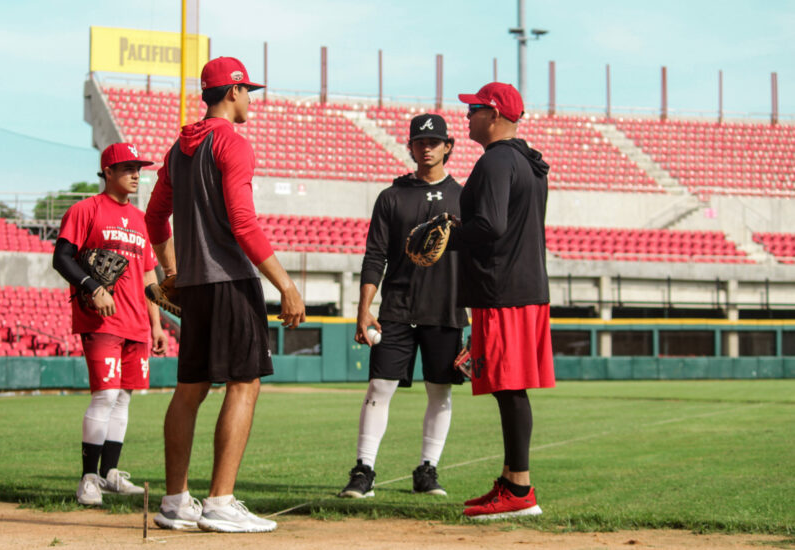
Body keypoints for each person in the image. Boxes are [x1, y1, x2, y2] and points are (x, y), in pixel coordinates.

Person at [144, 56, 306, 533]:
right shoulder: (232, 143)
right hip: (231, 283)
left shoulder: (179, 148)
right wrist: (286, 284)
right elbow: (243, 223)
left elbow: (155, 220)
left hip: (194, 286)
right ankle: (219, 502)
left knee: (189, 390)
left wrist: (173, 268)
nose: (249, 99)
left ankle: (175, 502)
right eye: (246, 91)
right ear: (232, 92)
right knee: (244, 384)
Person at [338, 114, 468, 499]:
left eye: (434, 141)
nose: (426, 147)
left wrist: (479, 318)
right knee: (379, 387)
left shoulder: (465, 198)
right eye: (419, 141)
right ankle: (364, 469)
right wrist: (364, 309)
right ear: (410, 147)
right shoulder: (391, 196)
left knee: (440, 392)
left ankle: (427, 470)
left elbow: (479, 262)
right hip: (396, 308)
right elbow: (374, 255)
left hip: (445, 310)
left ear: (448, 146)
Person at [449, 83, 555, 520]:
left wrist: (450, 234)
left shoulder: (496, 160)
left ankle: (520, 490)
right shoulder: (525, 161)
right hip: (523, 286)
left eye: (473, 109)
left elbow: (490, 226)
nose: (467, 116)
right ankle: (513, 481)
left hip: (503, 290)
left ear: (493, 115)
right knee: (509, 388)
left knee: (509, 389)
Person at [52, 142, 168, 506]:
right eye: (128, 168)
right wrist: (92, 285)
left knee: (123, 399)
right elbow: (62, 257)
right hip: (101, 320)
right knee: (104, 396)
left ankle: (110, 474)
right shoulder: (85, 210)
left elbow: (149, 275)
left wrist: (158, 324)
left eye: (139, 168)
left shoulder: (140, 220)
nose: (136, 174)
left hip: (137, 323)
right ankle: (88, 478)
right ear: (108, 172)